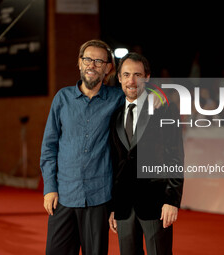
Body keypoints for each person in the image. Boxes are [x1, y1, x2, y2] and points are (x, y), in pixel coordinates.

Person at [40, 40, 163, 255]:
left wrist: (156, 96)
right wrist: (50, 187)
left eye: (99, 61)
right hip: (65, 197)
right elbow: (49, 147)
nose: (92, 65)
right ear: (79, 63)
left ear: (108, 68)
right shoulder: (62, 99)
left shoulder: (117, 98)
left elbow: (140, 90)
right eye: (87, 59)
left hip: (98, 199)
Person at [108, 53, 184, 255]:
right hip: (124, 207)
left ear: (147, 77)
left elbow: (175, 155)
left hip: (156, 203)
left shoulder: (164, 109)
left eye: (137, 75)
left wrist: (172, 200)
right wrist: (114, 206)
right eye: (126, 74)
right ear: (119, 78)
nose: (131, 80)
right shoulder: (115, 115)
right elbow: (116, 163)